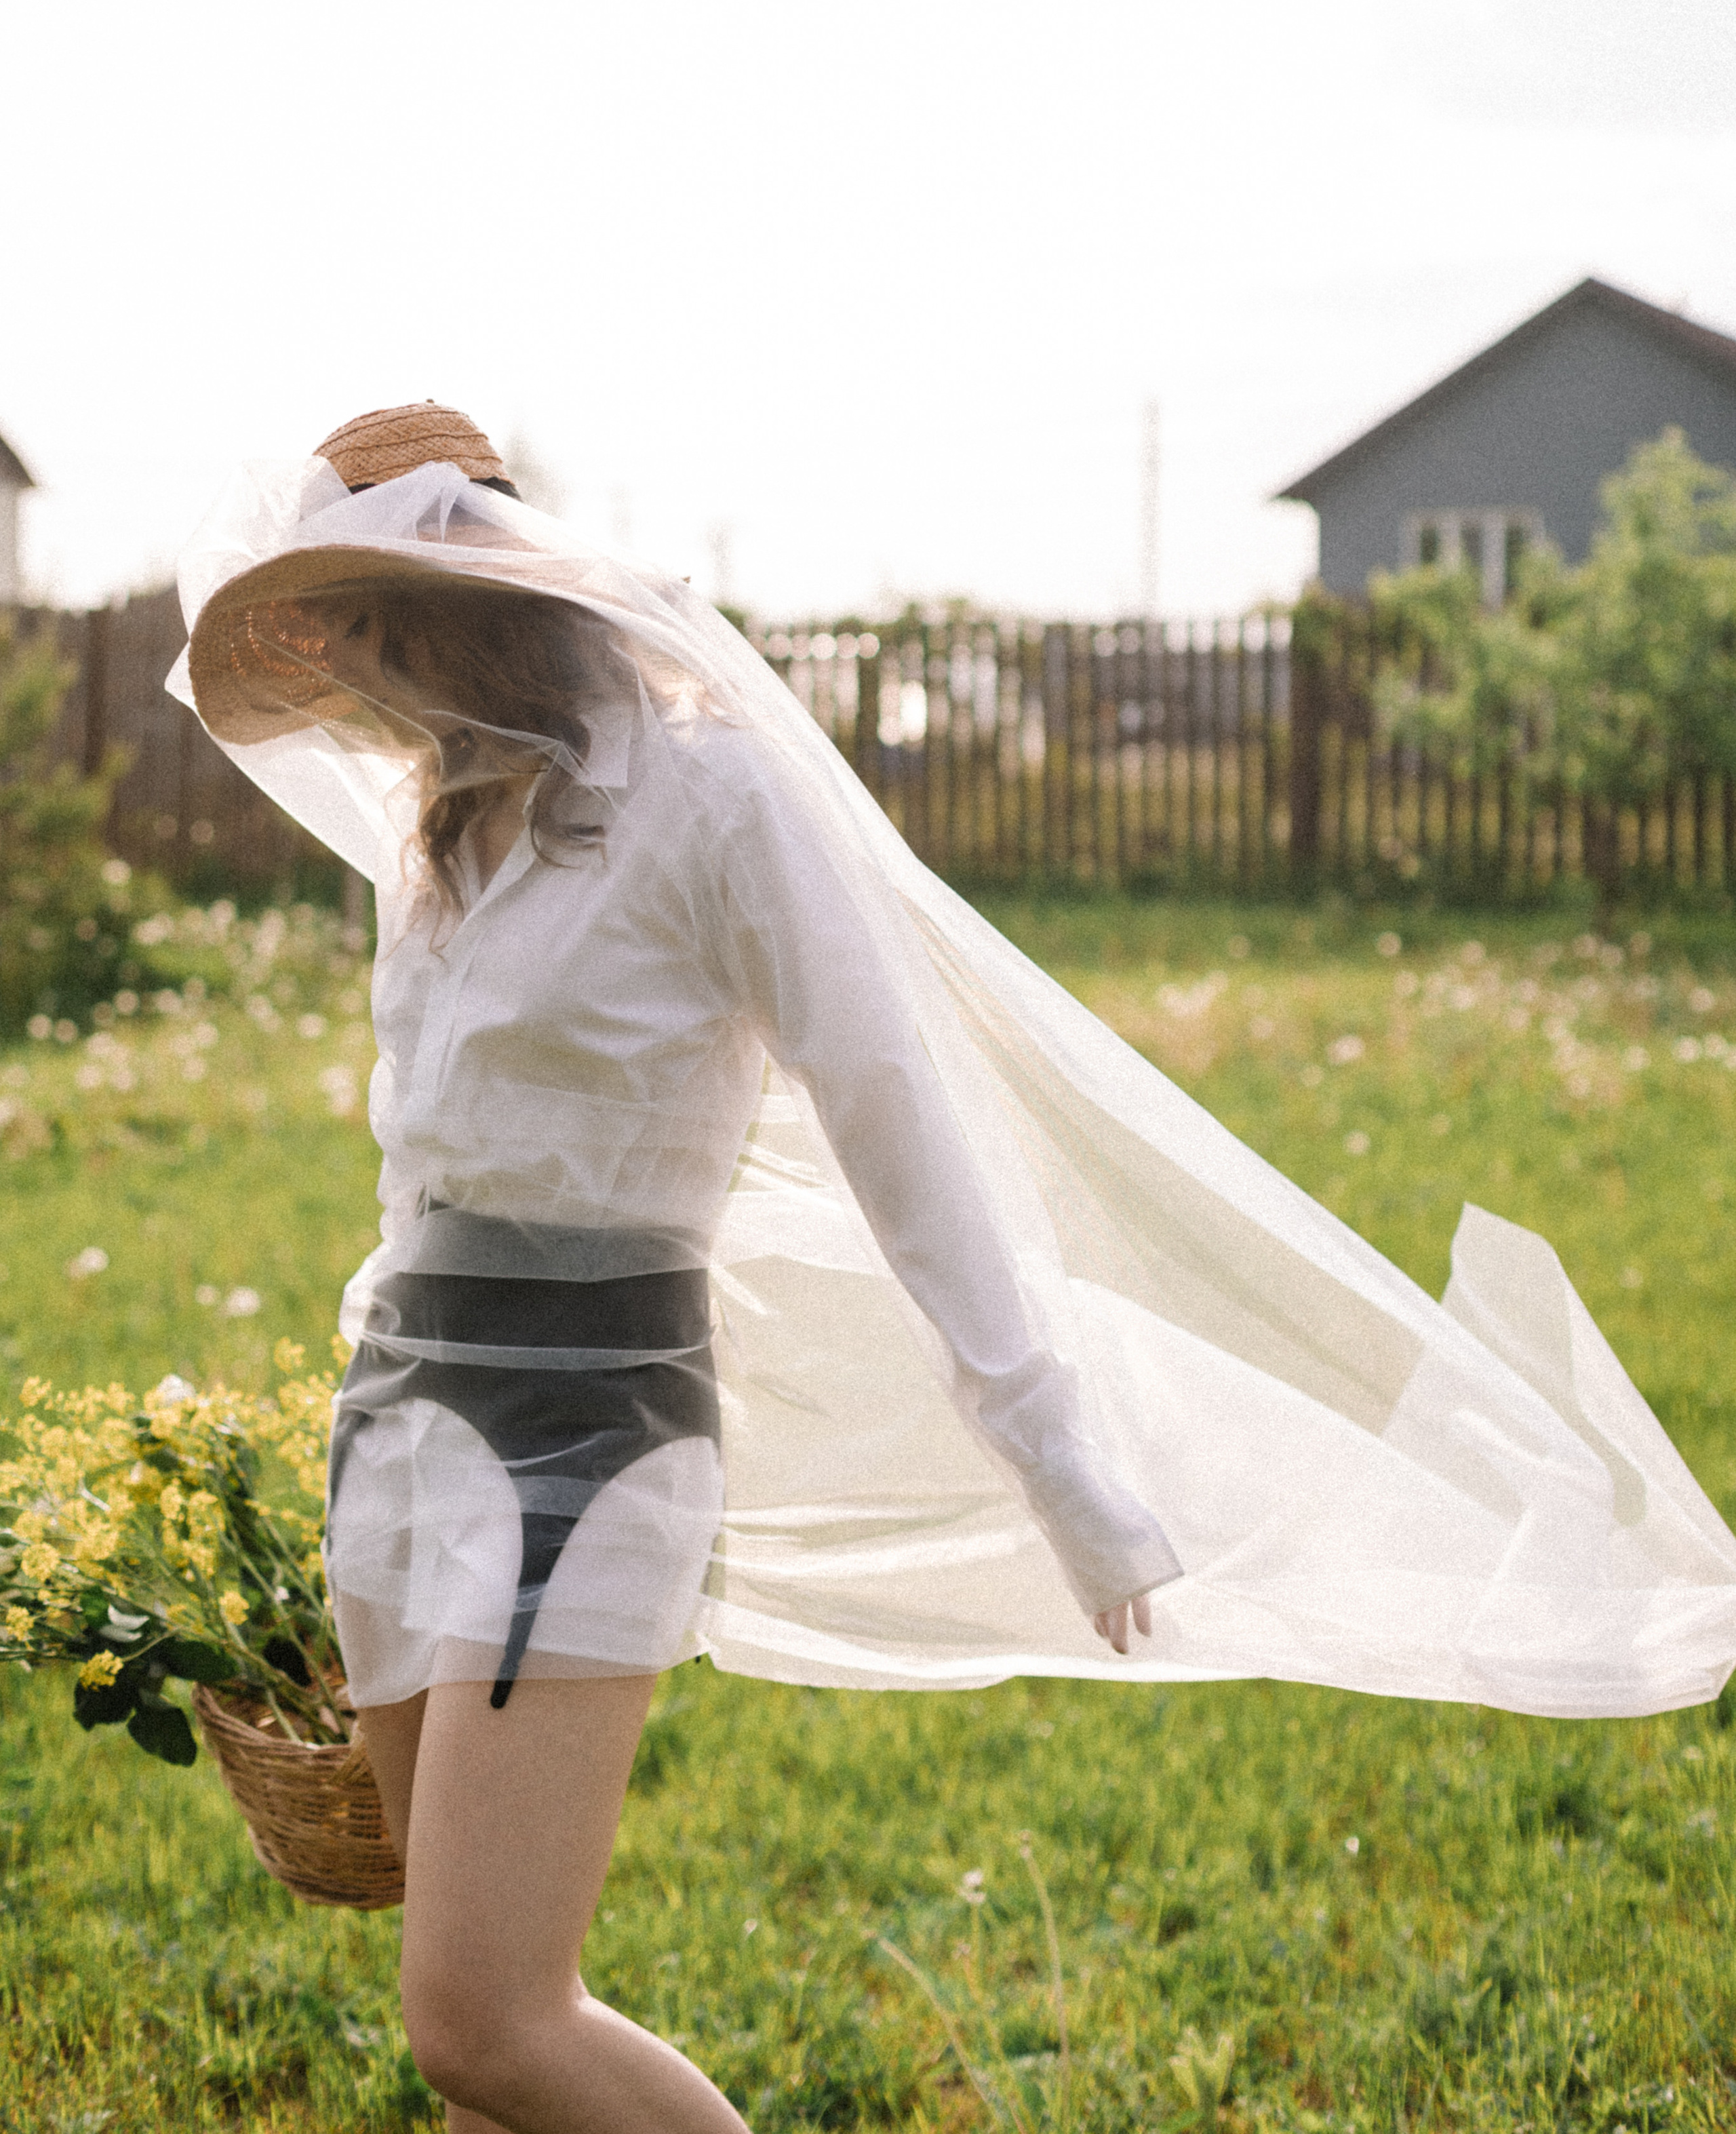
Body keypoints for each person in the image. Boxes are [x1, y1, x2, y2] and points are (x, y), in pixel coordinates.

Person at [176, 406, 1736, 2134]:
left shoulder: (708, 785)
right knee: (497, 2056)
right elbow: (438, 1154)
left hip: (594, 1432)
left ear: (471, 593)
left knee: (485, 2021)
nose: (364, 686)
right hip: (402, 1415)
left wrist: (1056, 1458)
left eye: (375, 629)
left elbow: (893, 1114)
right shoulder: (434, 831)